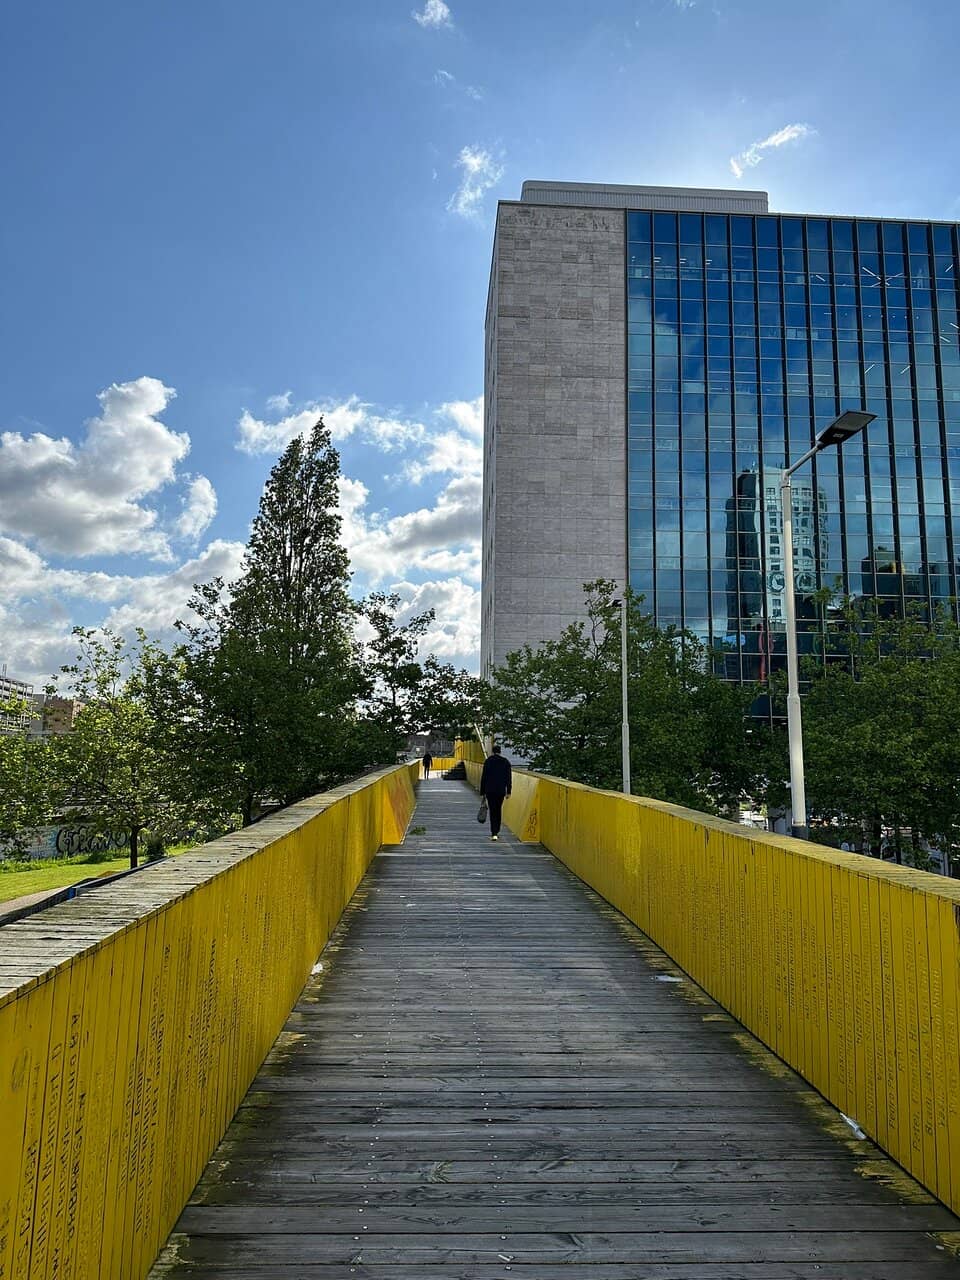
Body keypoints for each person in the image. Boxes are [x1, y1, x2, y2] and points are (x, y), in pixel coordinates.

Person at [479, 744, 512, 841]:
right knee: (498, 809)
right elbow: (508, 778)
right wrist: (509, 791)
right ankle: (497, 830)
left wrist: (482, 791)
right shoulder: (505, 762)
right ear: (500, 751)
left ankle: (493, 833)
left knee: (493, 810)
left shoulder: (488, 761)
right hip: (500, 790)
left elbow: (484, 777)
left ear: (493, 751)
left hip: (490, 790)